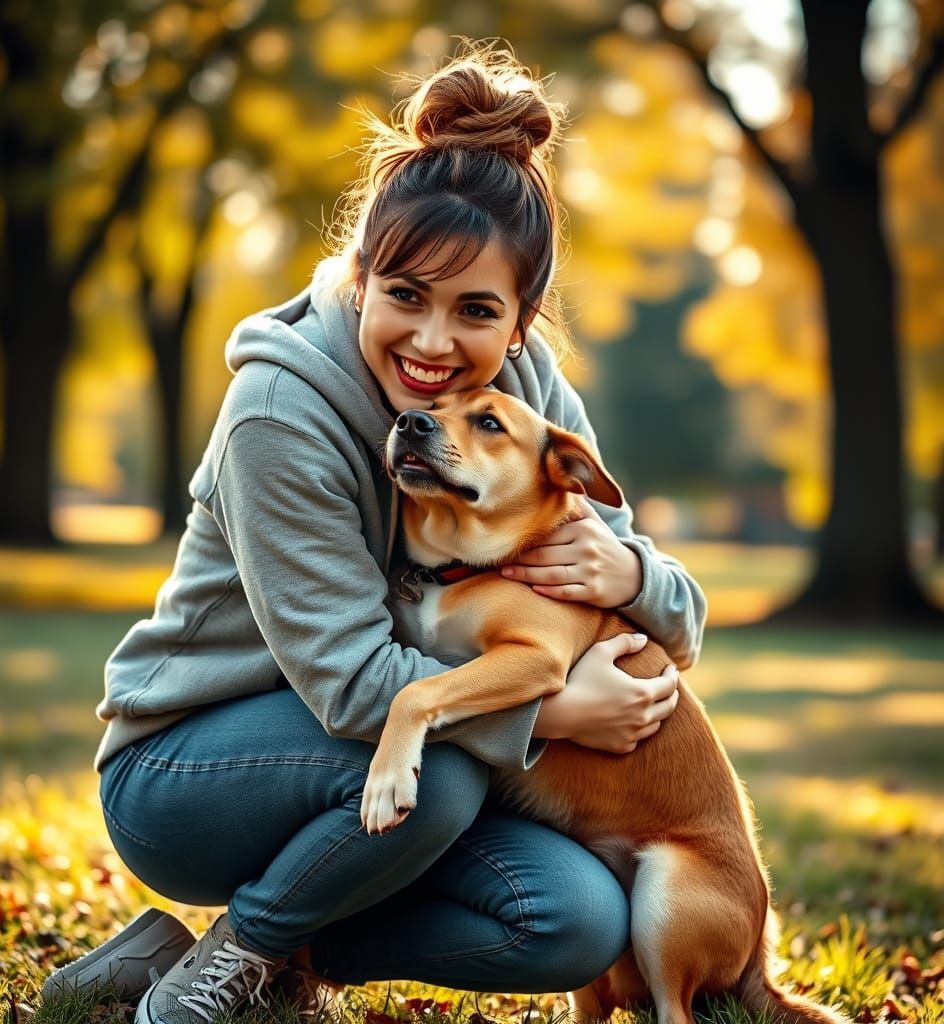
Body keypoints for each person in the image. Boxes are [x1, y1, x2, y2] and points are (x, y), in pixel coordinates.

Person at [92, 44, 705, 1024]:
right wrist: (552, 711)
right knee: (442, 761)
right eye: (406, 295)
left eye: (474, 312)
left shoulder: (528, 391)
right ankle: (237, 954)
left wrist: (627, 569)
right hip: (189, 771)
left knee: (577, 919)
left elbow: (675, 615)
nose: (430, 344)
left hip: (381, 781)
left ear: (519, 323)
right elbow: (348, 684)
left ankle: (257, 953)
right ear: (360, 275)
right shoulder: (277, 410)